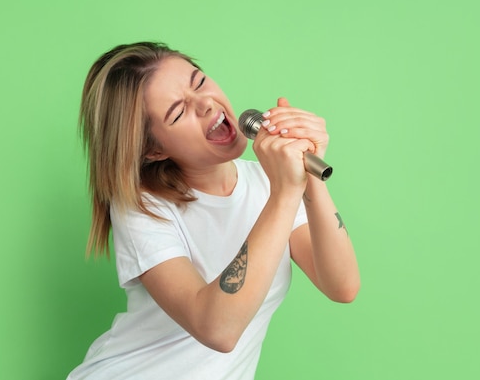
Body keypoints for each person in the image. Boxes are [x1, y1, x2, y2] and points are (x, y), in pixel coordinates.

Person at [67, 42, 360, 380]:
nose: (205, 104)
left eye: (200, 81)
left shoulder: (268, 183)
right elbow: (217, 329)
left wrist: (308, 176)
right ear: (152, 149)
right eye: (178, 112)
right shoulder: (142, 207)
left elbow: (342, 285)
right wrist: (284, 192)